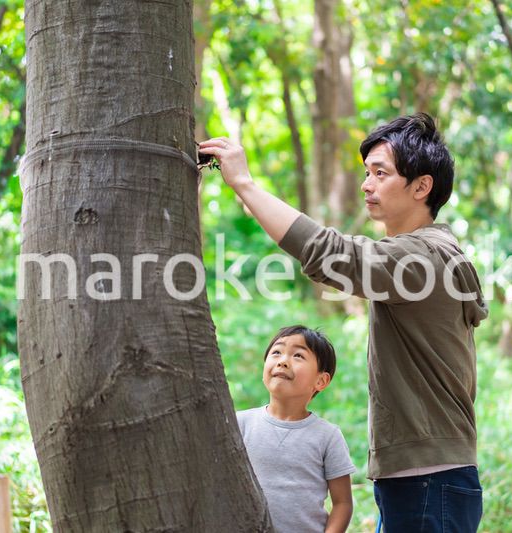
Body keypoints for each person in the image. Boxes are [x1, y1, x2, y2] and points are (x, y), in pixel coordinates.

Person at [200, 113, 488, 532]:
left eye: (381, 173)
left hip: (429, 479)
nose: (367, 184)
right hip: (421, 477)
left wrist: (245, 183)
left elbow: (328, 253)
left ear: (422, 186)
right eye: (366, 173)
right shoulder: (422, 258)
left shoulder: (423, 259)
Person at [236, 325, 355, 533]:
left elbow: (342, 503)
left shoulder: (327, 436)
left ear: (321, 380)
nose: (282, 361)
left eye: (298, 355)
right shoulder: (240, 423)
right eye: (276, 352)